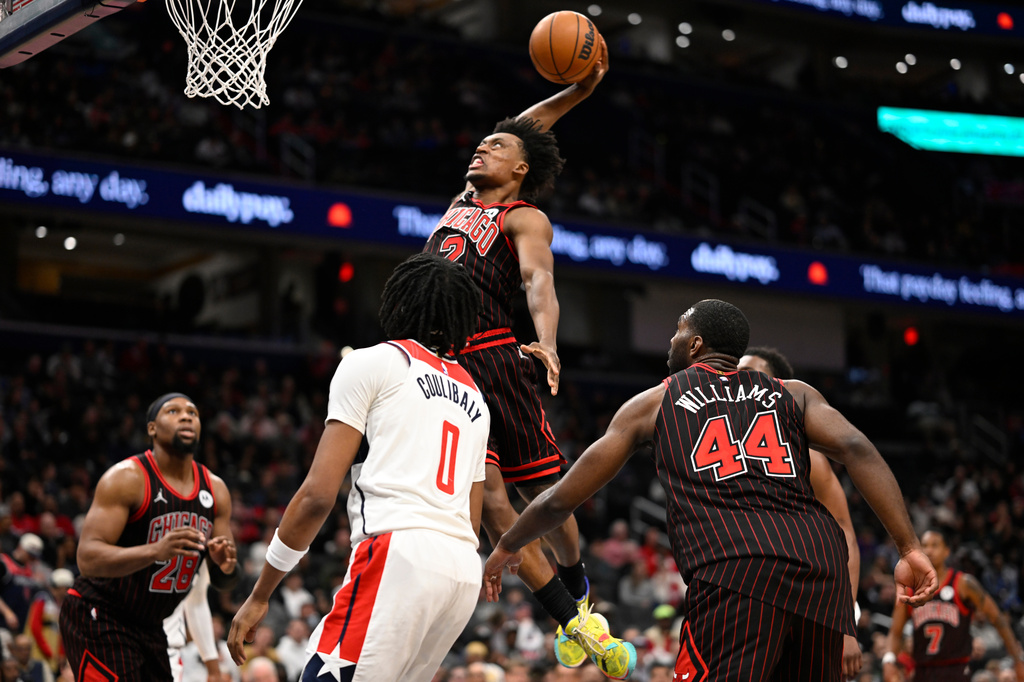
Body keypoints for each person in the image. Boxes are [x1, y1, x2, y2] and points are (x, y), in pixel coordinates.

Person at [484, 299, 939, 681]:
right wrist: (909, 546)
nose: (671, 339)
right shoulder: (794, 393)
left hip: (735, 569)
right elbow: (859, 448)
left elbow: (563, 497)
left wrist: (508, 542)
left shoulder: (652, 404)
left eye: (678, 329)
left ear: (696, 343)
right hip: (820, 571)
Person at [423, 35, 633, 680]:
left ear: (519, 171)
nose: (482, 145)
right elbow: (525, 127)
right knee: (488, 505)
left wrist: (547, 338)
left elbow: (539, 283)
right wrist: (575, 93)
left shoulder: (523, 217)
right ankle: (573, 622)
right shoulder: (461, 205)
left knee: (548, 497)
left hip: (495, 361)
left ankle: (579, 589)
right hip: (442, 367)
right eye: (481, 141)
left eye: (497, 146)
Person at [226, 254, 490, 681]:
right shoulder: (476, 397)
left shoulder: (374, 362)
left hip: (400, 552)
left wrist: (260, 594)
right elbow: (474, 519)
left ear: (400, 304)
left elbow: (316, 495)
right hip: (461, 568)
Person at [58, 392, 239, 681]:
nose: (185, 416)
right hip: (101, 613)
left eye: (192, 412)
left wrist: (224, 564)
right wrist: (155, 551)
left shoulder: (216, 490)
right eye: (173, 411)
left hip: (152, 625)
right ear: (152, 428)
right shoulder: (126, 478)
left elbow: (225, 580)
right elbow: (87, 558)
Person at [738, 345, 864, 679]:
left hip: (804, 607)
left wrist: (846, 622)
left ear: (777, 387)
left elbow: (844, 534)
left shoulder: (806, 456)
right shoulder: (718, 446)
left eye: (750, 375)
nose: (739, 383)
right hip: (743, 604)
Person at [883, 530, 1024, 682]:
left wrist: (1017, 659)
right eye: (925, 546)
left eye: (935, 545)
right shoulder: (910, 590)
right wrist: (889, 659)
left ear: (947, 552)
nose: (929, 550)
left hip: (956, 670)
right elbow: (895, 632)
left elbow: (998, 619)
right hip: (923, 670)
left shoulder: (963, 583)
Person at [164, 561, 223, 681]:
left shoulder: (200, 546)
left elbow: (196, 600)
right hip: (123, 637)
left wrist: (213, 669)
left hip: (169, 651)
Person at [25, 568, 74, 674]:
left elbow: (63, 632)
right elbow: (35, 627)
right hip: (39, 649)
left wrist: (61, 653)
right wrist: (48, 652)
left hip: (54, 652)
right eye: (65, 588)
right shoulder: (42, 599)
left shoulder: (64, 605)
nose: (67, 591)